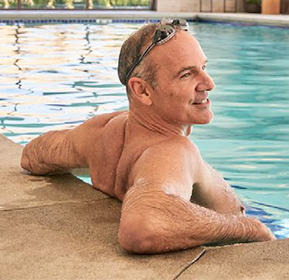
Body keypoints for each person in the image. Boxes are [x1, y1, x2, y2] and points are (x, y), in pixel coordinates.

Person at [20, 20, 275, 254]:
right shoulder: (172, 150)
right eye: (186, 74)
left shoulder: (101, 131)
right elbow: (142, 228)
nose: (208, 83)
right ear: (142, 90)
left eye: (203, 68)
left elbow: (33, 155)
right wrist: (250, 228)